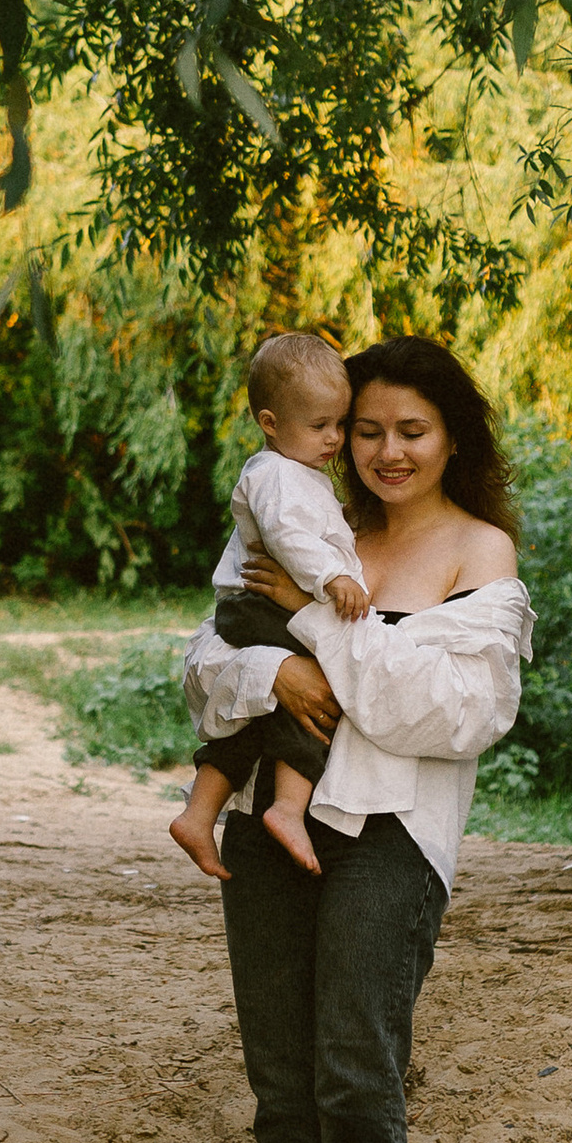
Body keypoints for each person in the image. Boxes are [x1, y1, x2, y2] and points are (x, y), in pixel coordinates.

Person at [183, 335, 533, 1143]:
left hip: (387, 836)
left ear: (452, 437)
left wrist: (318, 626)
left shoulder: (479, 552)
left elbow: (444, 714)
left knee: (352, 1072)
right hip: (269, 828)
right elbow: (201, 666)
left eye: (410, 431)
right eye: (365, 429)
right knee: (281, 1085)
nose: (384, 451)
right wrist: (274, 670)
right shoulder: (312, 532)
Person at [169, 330, 371, 885]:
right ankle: (287, 804)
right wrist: (331, 576)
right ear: (270, 422)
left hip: (258, 607)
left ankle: (199, 811)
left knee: (262, 713)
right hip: (259, 606)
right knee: (320, 689)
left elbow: (312, 525)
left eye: (339, 424)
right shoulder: (274, 473)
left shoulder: (298, 472)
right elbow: (287, 535)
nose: (333, 438)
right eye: (319, 425)